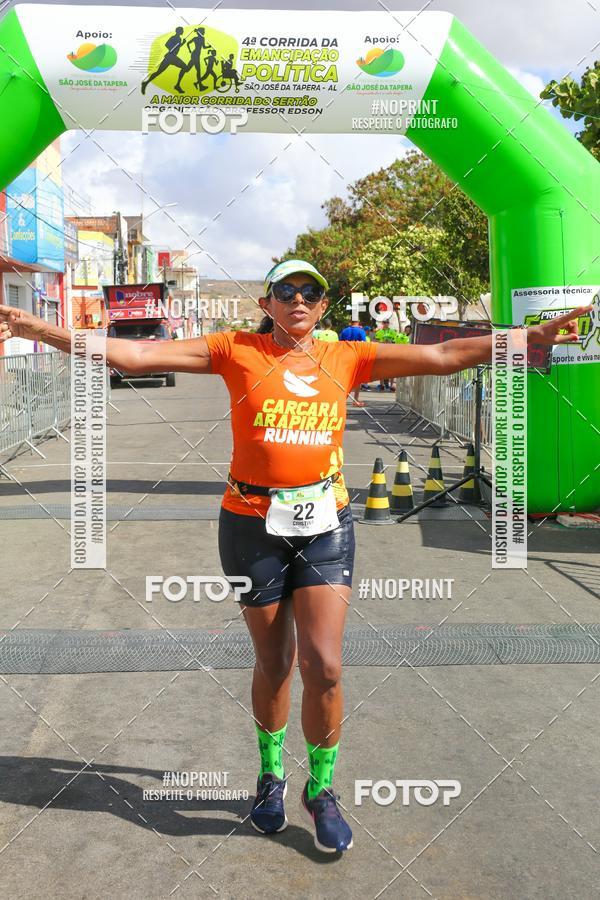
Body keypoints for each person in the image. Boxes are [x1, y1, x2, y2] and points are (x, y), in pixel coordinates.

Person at [0, 269, 588, 854]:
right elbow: (135, 354)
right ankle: (271, 776)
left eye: (310, 293)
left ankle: (322, 789)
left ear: (324, 305)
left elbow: (444, 356)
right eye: (286, 292)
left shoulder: (347, 357)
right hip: (250, 525)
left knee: (325, 665)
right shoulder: (236, 350)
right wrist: (36, 328)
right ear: (268, 302)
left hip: (325, 525)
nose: (298, 300)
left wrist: (523, 339)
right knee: (275, 662)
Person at [142, 27, 188, 95]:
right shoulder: (174, 37)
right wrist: (172, 48)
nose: (183, 31)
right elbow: (166, 44)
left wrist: (182, 44)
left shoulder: (179, 38)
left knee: (185, 67)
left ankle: (177, 85)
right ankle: (145, 83)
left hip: (173, 57)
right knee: (159, 71)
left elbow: (176, 47)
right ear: (178, 31)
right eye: (182, 30)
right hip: (170, 57)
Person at [339, 319, 367, 407]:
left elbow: (339, 344)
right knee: (357, 379)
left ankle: (342, 399)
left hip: (345, 356)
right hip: (357, 357)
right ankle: (355, 400)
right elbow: (364, 345)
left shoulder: (344, 331)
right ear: (358, 322)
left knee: (345, 379)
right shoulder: (361, 331)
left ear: (350, 322)